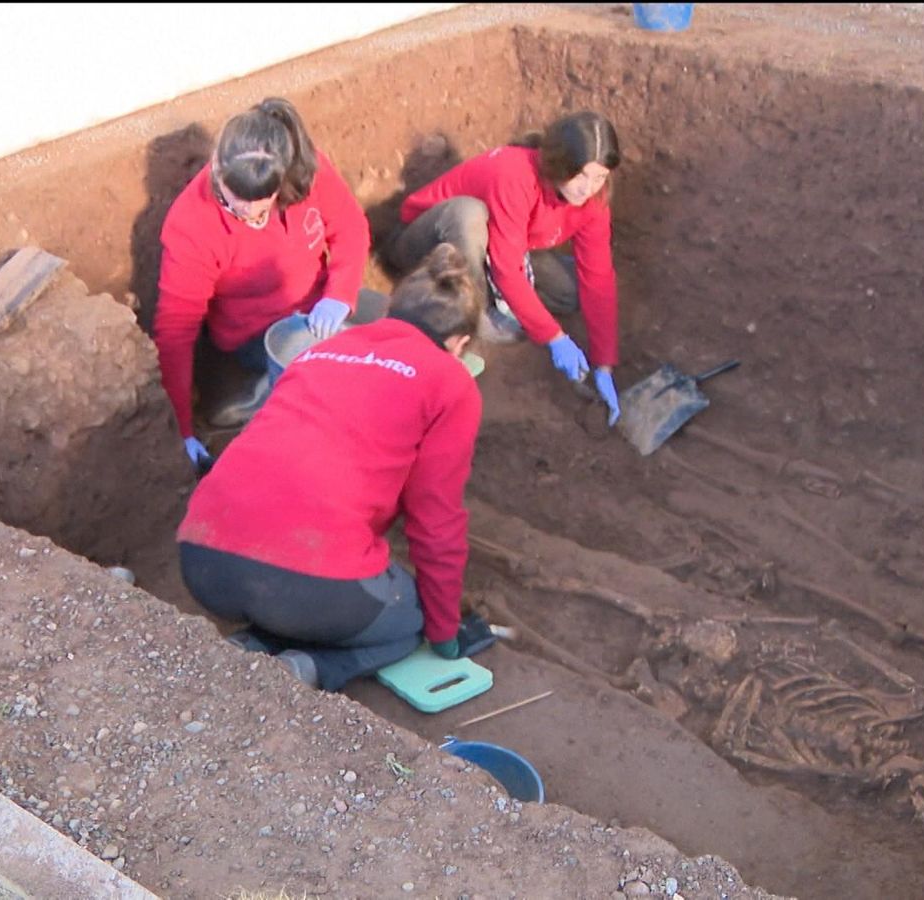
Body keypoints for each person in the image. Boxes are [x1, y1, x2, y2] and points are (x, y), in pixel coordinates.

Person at [177, 243, 484, 691]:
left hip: (203, 561)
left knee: (296, 585)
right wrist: (443, 632)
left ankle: (255, 644)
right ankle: (310, 668)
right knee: (411, 615)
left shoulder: (322, 350)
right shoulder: (448, 379)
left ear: (391, 313)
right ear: (458, 343)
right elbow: (435, 520)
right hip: (311, 587)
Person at [153, 97, 373, 473]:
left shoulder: (309, 170)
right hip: (255, 332)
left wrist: (340, 294)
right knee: (326, 386)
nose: (249, 217)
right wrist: (182, 429)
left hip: (320, 307)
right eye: (234, 203)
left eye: (261, 206)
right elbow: (175, 330)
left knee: (393, 337)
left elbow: (350, 229)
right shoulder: (192, 225)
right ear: (218, 168)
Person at [386, 111, 625, 425]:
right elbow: (508, 270)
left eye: (599, 177)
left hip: (500, 241)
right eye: (580, 175)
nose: (588, 188)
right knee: (467, 214)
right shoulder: (514, 175)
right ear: (559, 164)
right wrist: (554, 337)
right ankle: (472, 313)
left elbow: (597, 278)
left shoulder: (593, 202)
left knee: (570, 293)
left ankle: (500, 299)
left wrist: (604, 363)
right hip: (425, 245)